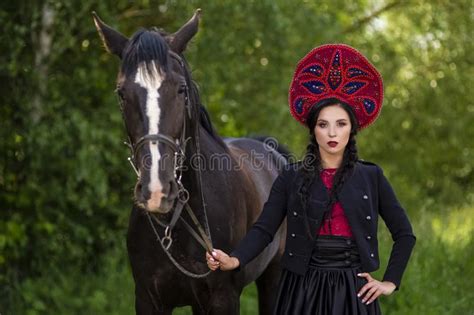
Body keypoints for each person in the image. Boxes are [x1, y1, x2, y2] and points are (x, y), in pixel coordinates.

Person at [205, 44, 416, 314]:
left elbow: (404, 234)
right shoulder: (291, 176)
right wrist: (234, 259)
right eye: (323, 124)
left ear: (351, 129)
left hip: (354, 292)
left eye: (341, 124)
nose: (332, 133)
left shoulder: (371, 177)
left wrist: (390, 281)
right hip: (300, 291)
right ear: (313, 129)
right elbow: (264, 229)